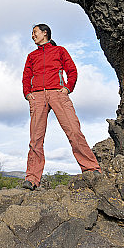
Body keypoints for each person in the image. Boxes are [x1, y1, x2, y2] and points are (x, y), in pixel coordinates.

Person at [21, 24, 100, 191]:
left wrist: (67, 88)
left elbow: (72, 70)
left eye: (35, 32)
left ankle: (91, 168)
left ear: (45, 33)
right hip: (37, 96)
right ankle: (32, 179)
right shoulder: (31, 56)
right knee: (36, 139)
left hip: (58, 93)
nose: (32, 35)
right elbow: (26, 75)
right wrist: (27, 93)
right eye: (32, 33)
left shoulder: (59, 51)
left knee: (73, 130)